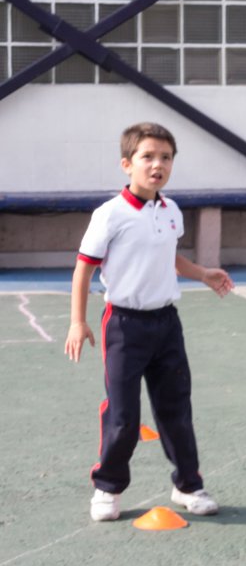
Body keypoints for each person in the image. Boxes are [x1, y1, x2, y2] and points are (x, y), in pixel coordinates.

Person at [64, 121, 233, 522]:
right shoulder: (110, 214)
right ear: (127, 164)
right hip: (124, 325)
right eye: (148, 157)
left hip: (167, 324)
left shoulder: (171, 211)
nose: (158, 165)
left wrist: (202, 273)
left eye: (166, 157)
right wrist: (77, 322)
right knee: (123, 415)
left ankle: (188, 485)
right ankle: (108, 488)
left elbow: (168, 256)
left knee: (176, 409)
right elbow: (83, 268)